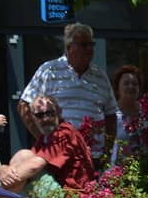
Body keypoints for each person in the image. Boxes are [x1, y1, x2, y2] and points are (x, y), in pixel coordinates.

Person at [18, 21, 118, 155]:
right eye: (83, 45)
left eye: (91, 44)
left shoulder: (101, 77)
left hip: (92, 156)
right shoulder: (49, 70)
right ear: (69, 47)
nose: (89, 49)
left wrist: (108, 149)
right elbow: (24, 105)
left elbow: (111, 115)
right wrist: (44, 139)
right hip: (58, 154)